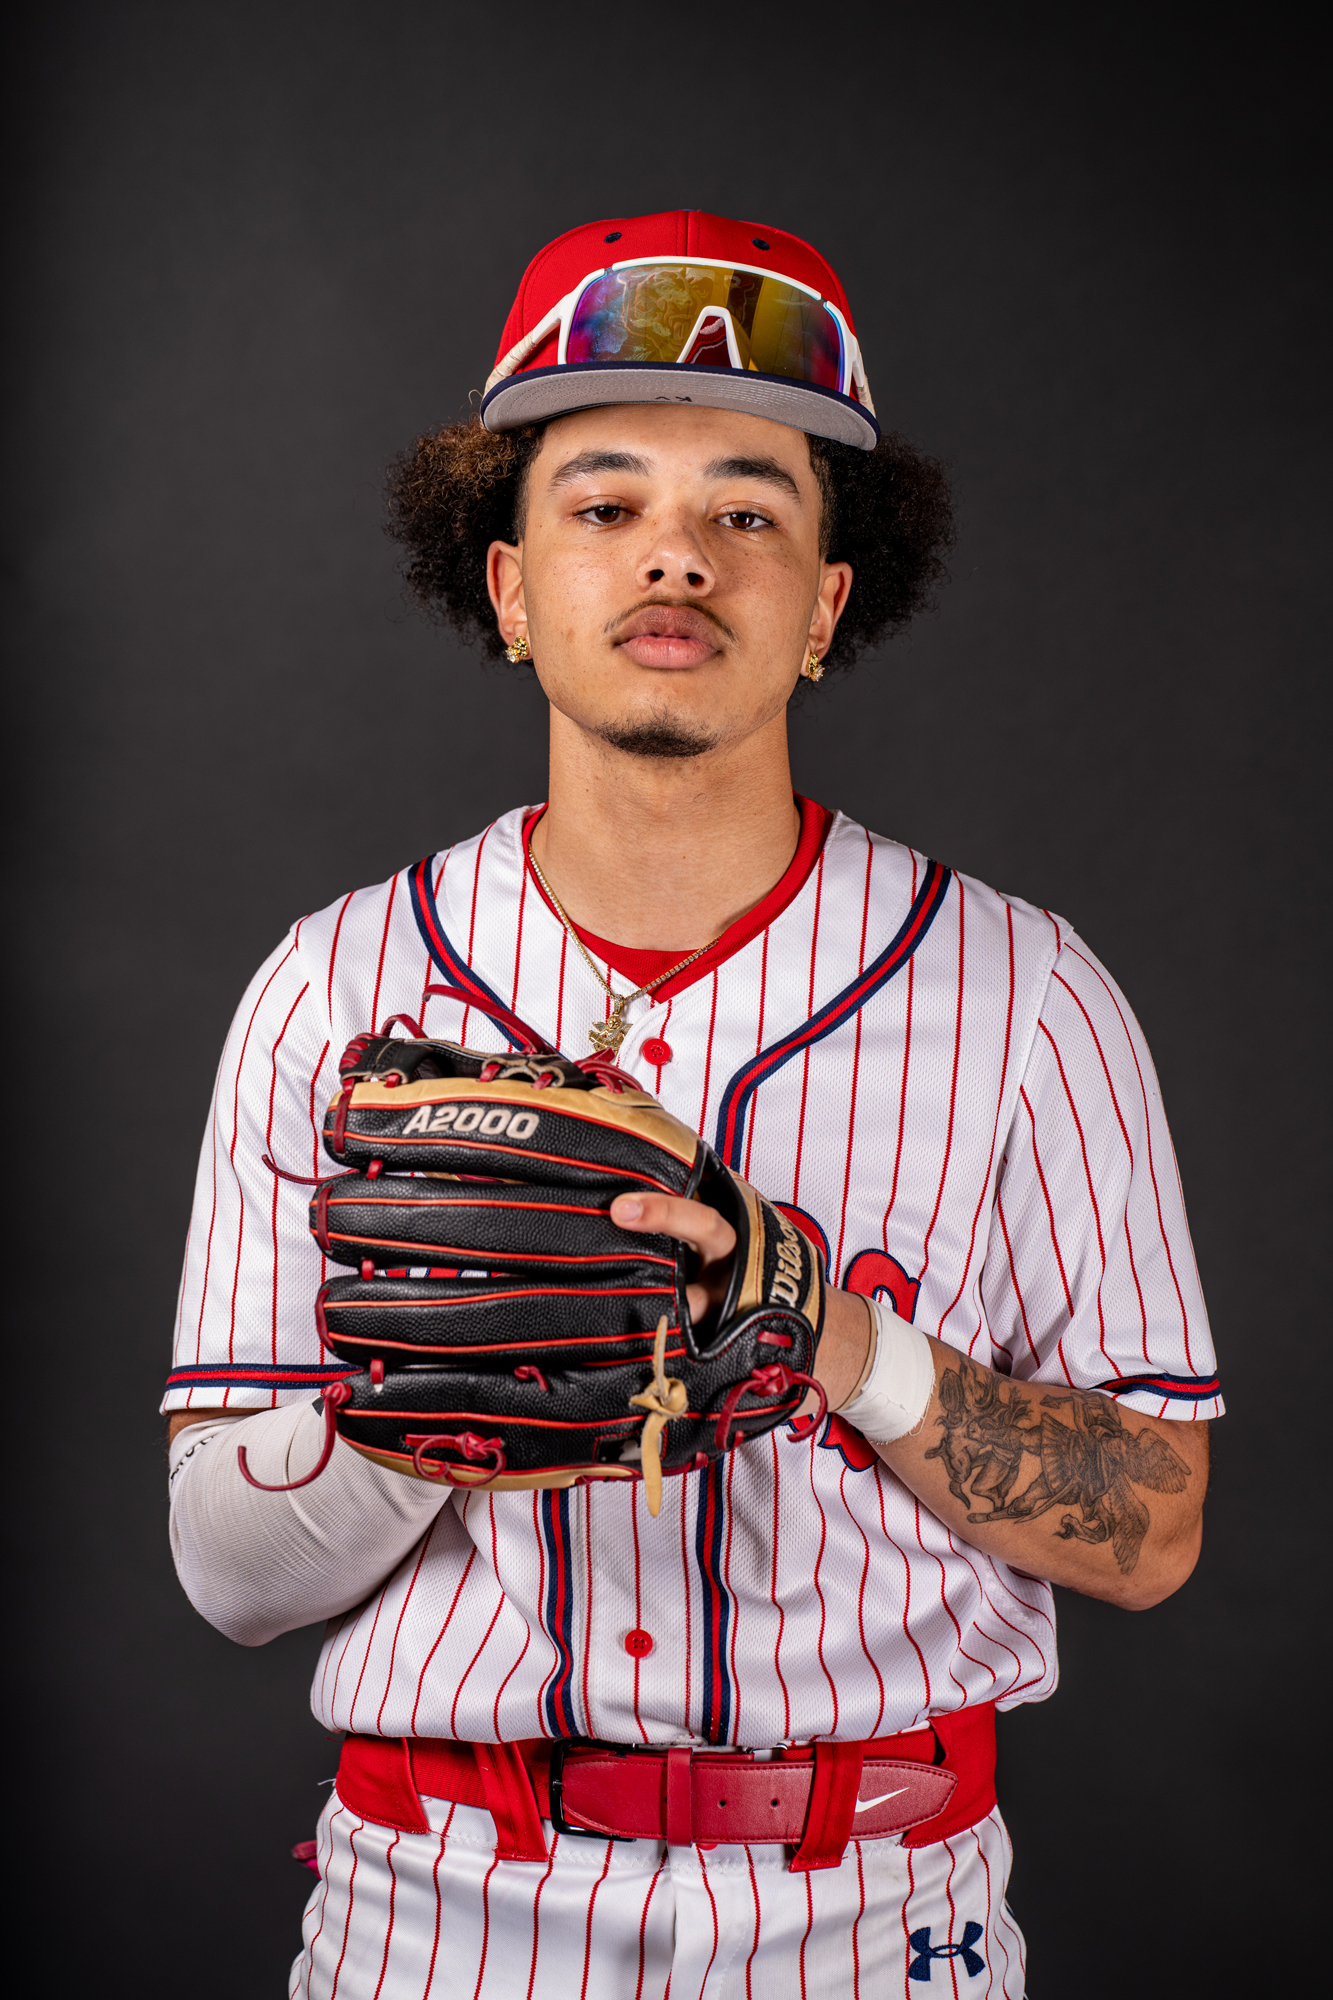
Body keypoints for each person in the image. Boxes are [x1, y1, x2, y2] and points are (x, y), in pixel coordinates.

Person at [165, 210, 1221, 1999]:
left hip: (875, 1915)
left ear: (824, 606)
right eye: (604, 505)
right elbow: (226, 1573)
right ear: (510, 588)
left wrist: (833, 1337)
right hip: (434, 1912)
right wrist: (442, 1399)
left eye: (748, 513)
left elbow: (1155, 1530)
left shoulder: (1027, 993)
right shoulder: (330, 988)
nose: (676, 556)